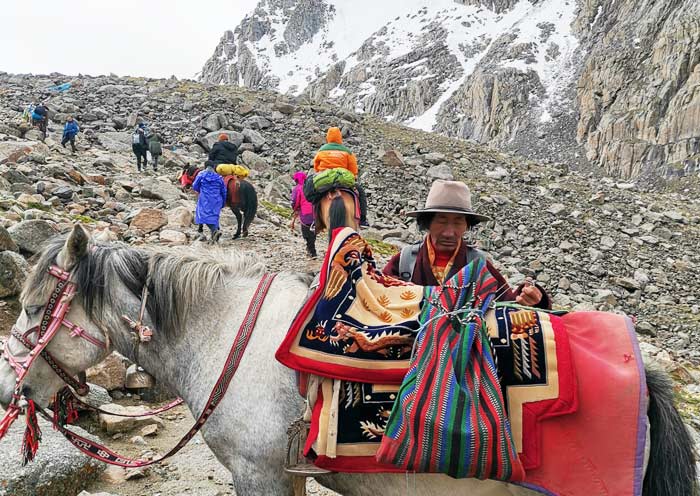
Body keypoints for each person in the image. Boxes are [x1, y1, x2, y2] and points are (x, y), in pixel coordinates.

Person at [383, 180, 550, 308]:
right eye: (441, 221)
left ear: (467, 226)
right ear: (427, 223)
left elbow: (506, 302)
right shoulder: (405, 261)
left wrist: (532, 298)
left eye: (458, 223)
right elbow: (378, 299)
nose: (449, 232)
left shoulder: (477, 263)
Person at [313, 127, 369, 227]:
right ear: (340, 137)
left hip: (326, 178)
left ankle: (314, 219)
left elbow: (316, 167)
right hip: (342, 179)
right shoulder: (347, 152)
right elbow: (353, 170)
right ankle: (363, 220)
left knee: (313, 193)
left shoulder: (321, 151)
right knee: (360, 192)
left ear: (328, 137)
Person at [192, 161, 227, 243]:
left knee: (203, 216)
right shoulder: (219, 177)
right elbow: (224, 191)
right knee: (214, 216)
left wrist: (201, 190)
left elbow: (195, 186)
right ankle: (214, 236)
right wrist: (223, 201)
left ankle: (214, 230)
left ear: (205, 166)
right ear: (214, 167)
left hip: (205, 198)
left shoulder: (201, 175)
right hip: (217, 199)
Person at [291, 171, 317, 259]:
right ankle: (311, 248)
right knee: (313, 231)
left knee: (306, 232)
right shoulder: (311, 186)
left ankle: (312, 251)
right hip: (316, 212)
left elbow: (294, 201)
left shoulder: (297, 188)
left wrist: (295, 209)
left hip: (305, 212)